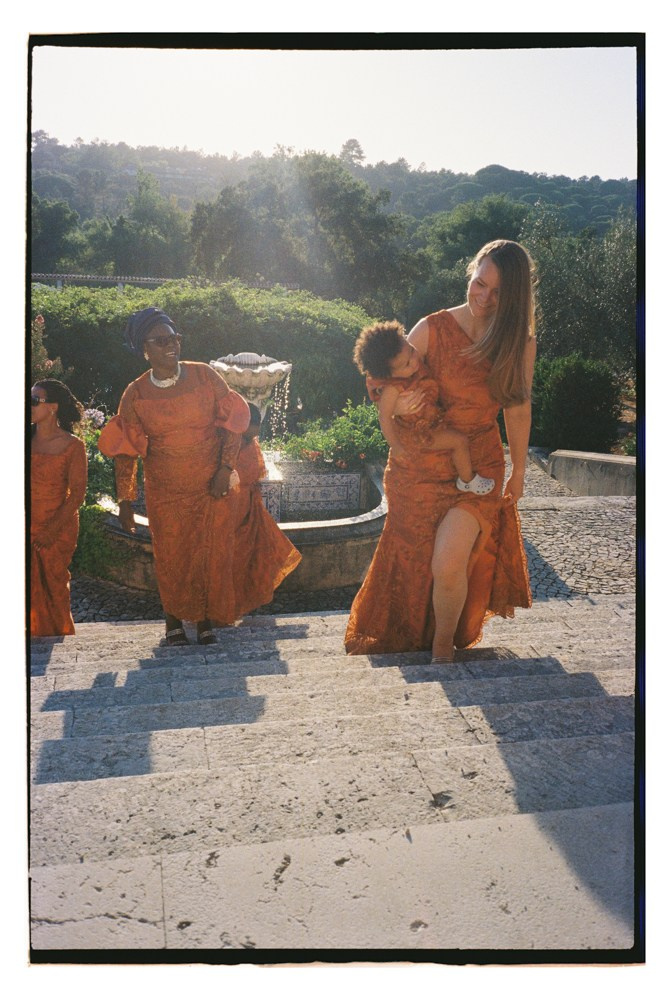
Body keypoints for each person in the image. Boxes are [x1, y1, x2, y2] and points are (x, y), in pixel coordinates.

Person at [345, 239, 536, 662]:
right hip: (419, 465)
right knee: (414, 561)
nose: (484, 297)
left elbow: (518, 408)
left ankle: (442, 650)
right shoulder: (432, 328)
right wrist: (396, 403)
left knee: (449, 561)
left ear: (515, 296)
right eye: (480, 283)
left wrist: (519, 471)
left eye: (498, 291)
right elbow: (381, 378)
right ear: (471, 273)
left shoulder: (518, 342)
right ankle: (414, 638)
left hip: (478, 465)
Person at [97, 307, 250, 645]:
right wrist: (125, 500)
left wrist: (225, 469)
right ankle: (172, 619)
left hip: (209, 482)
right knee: (171, 553)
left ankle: (205, 618)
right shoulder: (134, 394)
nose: (172, 345)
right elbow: (126, 451)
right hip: (164, 487)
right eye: (162, 340)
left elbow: (233, 424)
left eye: (175, 338)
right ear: (144, 349)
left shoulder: (205, 375)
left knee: (207, 550)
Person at [353, 320, 495, 495]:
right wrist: (396, 446)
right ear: (389, 375)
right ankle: (467, 481)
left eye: (412, 351)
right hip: (417, 435)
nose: (414, 361)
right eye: (406, 364)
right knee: (459, 441)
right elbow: (384, 416)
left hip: (431, 423)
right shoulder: (392, 389)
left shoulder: (413, 367)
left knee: (461, 440)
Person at [228, 404, 302, 618]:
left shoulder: (251, 443)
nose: (258, 429)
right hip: (232, 510)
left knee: (260, 553)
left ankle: (247, 599)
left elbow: (258, 473)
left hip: (250, 508)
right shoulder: (229, 445)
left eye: (259, 424)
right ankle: (228, 604)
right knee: (234, 556)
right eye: (255, 424)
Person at [31, 379, 88, 637]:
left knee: (53, 585)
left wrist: (51, 530)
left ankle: (56, 638)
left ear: (52, 407)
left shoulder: (73, 446)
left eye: (34, 401)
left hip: (57, 527)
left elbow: (77, 495)